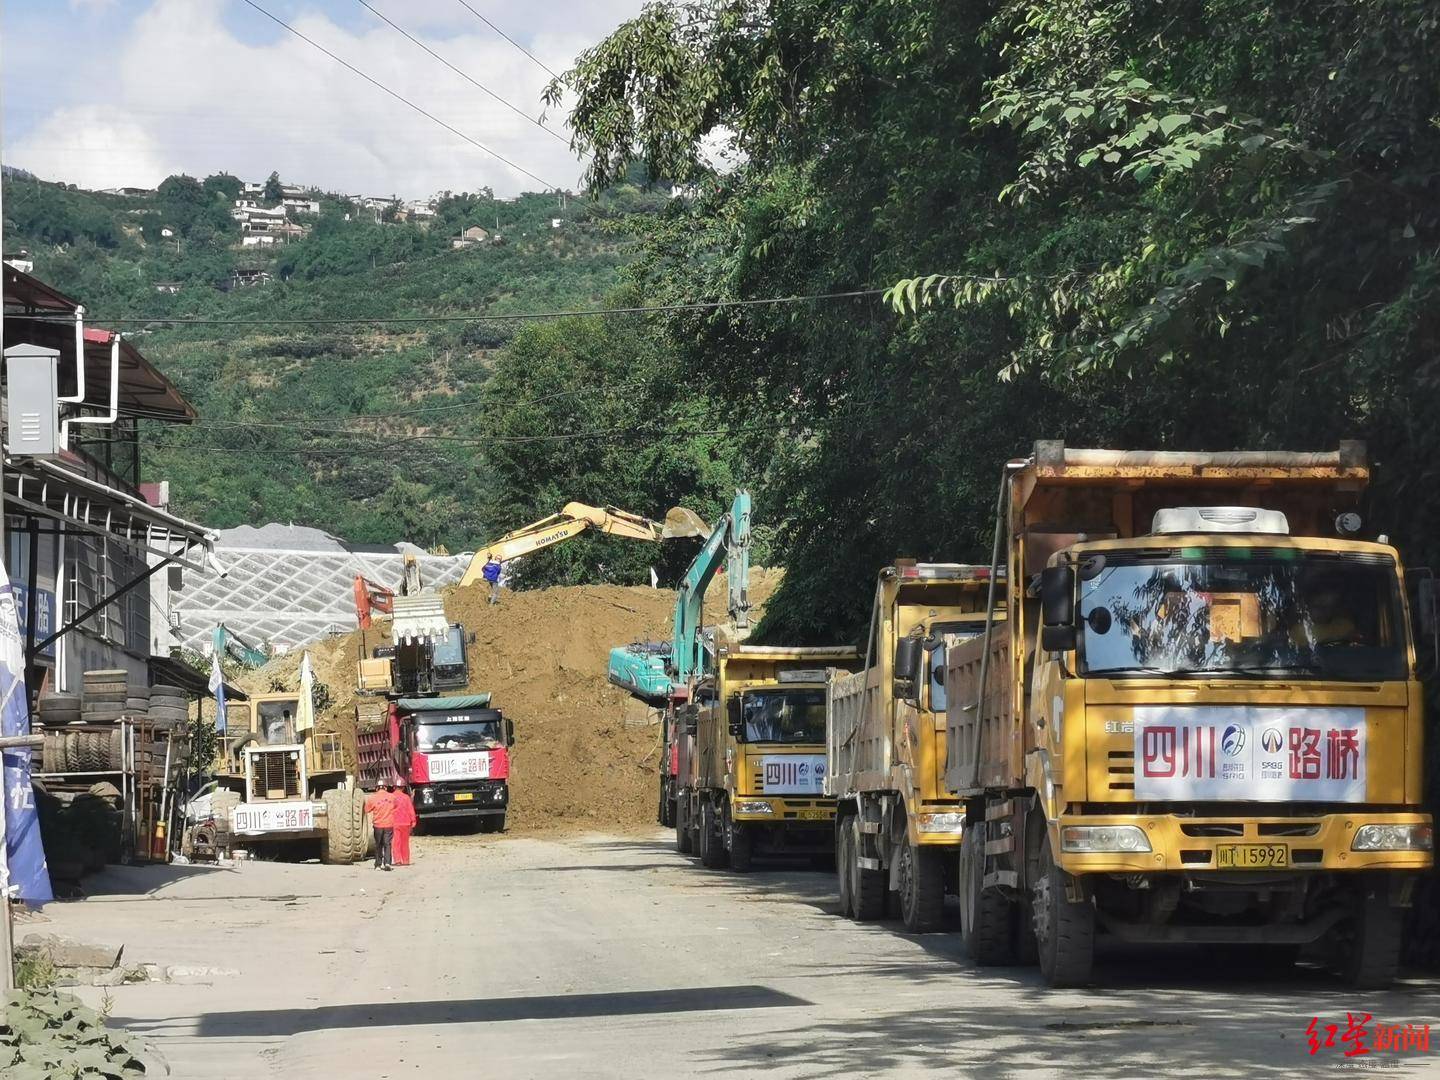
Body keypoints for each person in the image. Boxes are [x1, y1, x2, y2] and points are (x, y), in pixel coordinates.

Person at [364, 783, 398, 870]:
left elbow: (366, 810)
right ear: (386, 788)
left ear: (376, 788)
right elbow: (396, 806)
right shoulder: (392, 797)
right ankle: (387, 863)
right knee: (387, 844)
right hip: (389, 825)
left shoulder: (373, 798)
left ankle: (378, 864)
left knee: (378, 844)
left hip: (378, 825)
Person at [392, 785, 417, 867]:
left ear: (394, 787)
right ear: (403, 788)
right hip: (406, 823)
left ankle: (398, 860)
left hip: (395, 823)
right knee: (405, 843)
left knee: (396, 842)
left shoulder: (391, 797)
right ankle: (406, 860)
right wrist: (413, 820)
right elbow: (410, 809)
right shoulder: (406, 797)